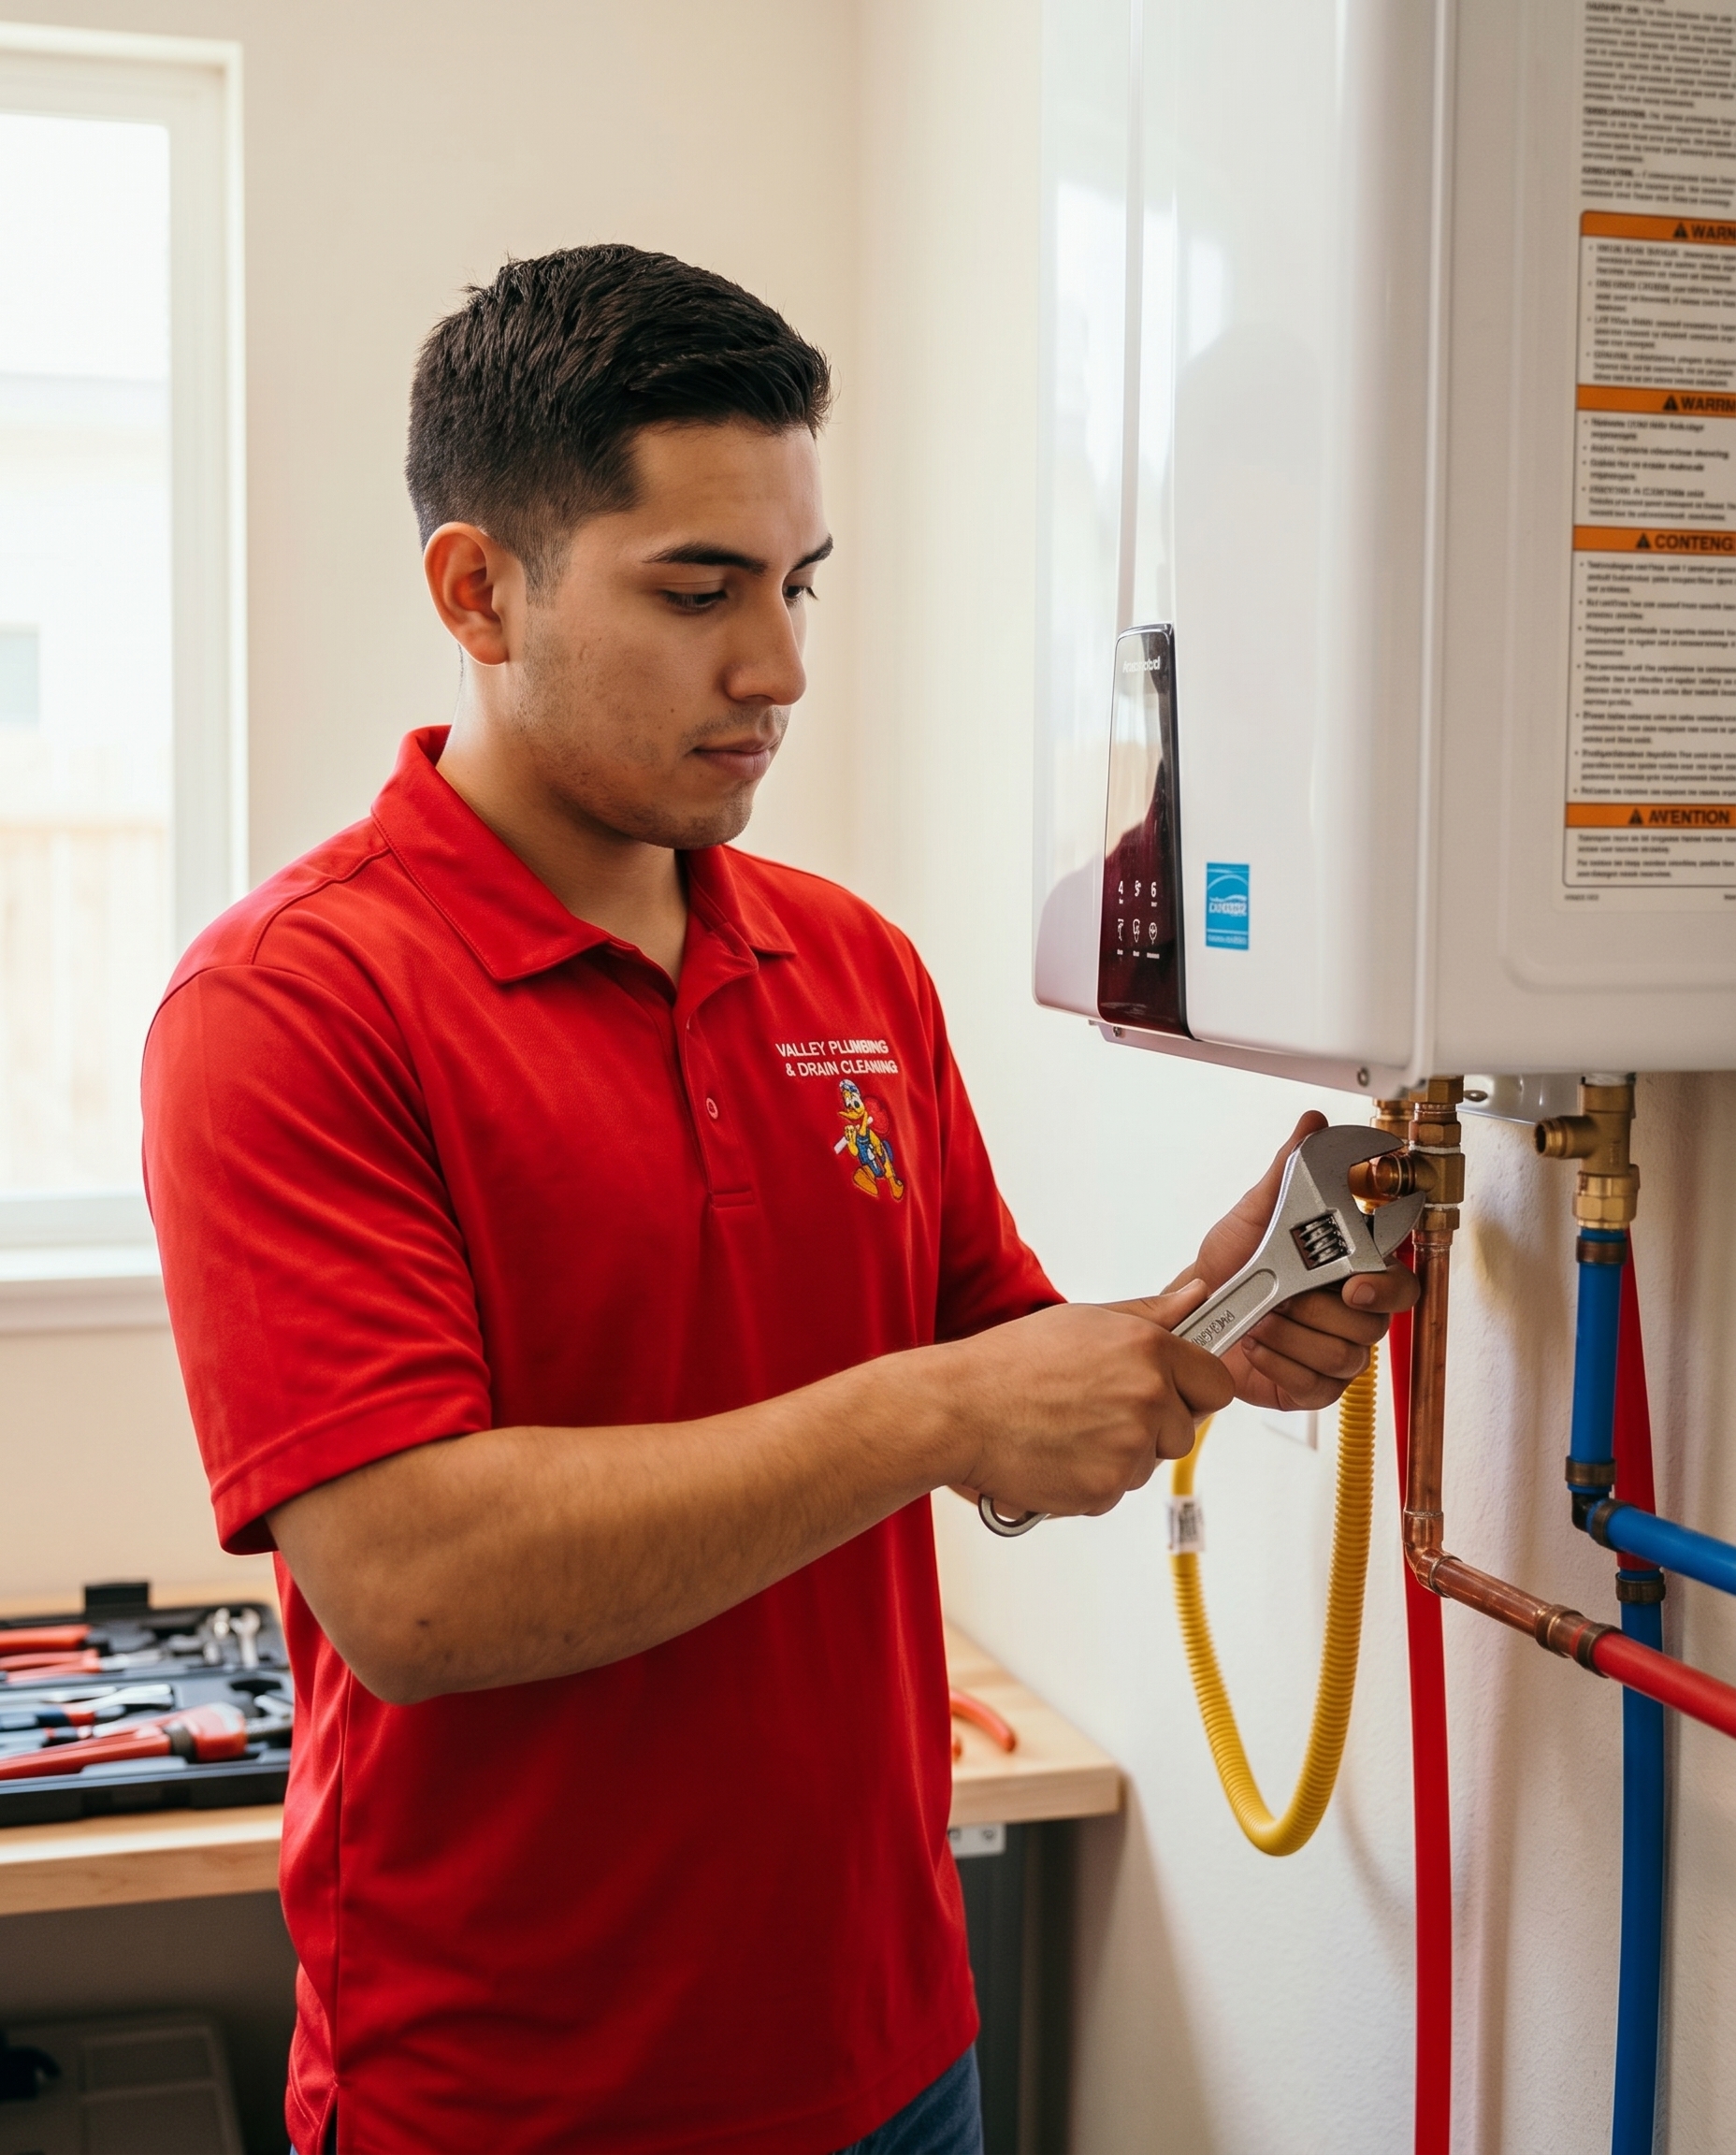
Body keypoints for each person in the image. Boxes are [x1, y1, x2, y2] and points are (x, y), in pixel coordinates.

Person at [142, 245, 1415, 2155]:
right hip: (517, 2107)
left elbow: (990, 1374)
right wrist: (937, 1412)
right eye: (699, 589)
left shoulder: (851, 969)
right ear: (476, 591)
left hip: (898, 2057)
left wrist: (1204, 1328)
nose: (781, 667)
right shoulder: (293, 1006)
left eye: (799, 583)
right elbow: (413, 1587)